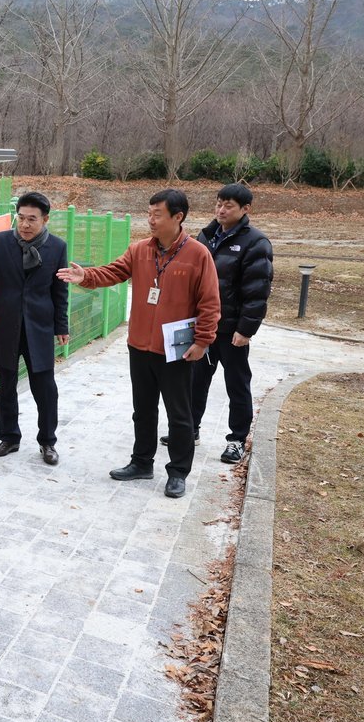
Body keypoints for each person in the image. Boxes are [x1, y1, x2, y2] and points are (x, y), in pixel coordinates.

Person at [56, 189, 220, 498]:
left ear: (178, 217)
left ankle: (178, 472)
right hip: (140, 346)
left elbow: (210, 303)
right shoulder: (140, 250)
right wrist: (86, 275)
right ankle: (142, 462)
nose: (151, 220)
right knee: (143, 410)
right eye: (149, 214)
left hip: (176, 351)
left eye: (157, 215)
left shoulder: (198, 254)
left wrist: (203, 341)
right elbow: (113, 271)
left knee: (179, 415)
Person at [160, 183, 273, 464]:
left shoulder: (255, 243)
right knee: (195, 382)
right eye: (219, 204)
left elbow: (257, 291)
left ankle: (237, 440)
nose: (221, 210)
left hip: (232, 330)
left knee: (237, 384)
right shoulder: (206, 236)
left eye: (228, 206)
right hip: (202, 328)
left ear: (245, 209)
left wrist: (245, 330)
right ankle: (190, 430)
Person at [0, 191, 69, 466]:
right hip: (6, 327)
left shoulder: (57, 247)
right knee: (6, 386)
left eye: (32, 219)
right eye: (21, 218)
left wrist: (61, 326)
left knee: (45, 389)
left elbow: (60, 291)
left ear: (45, 220)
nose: (25, 224)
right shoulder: (1, 242)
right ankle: (9, 438)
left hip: (39, 329)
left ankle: (48, 441)